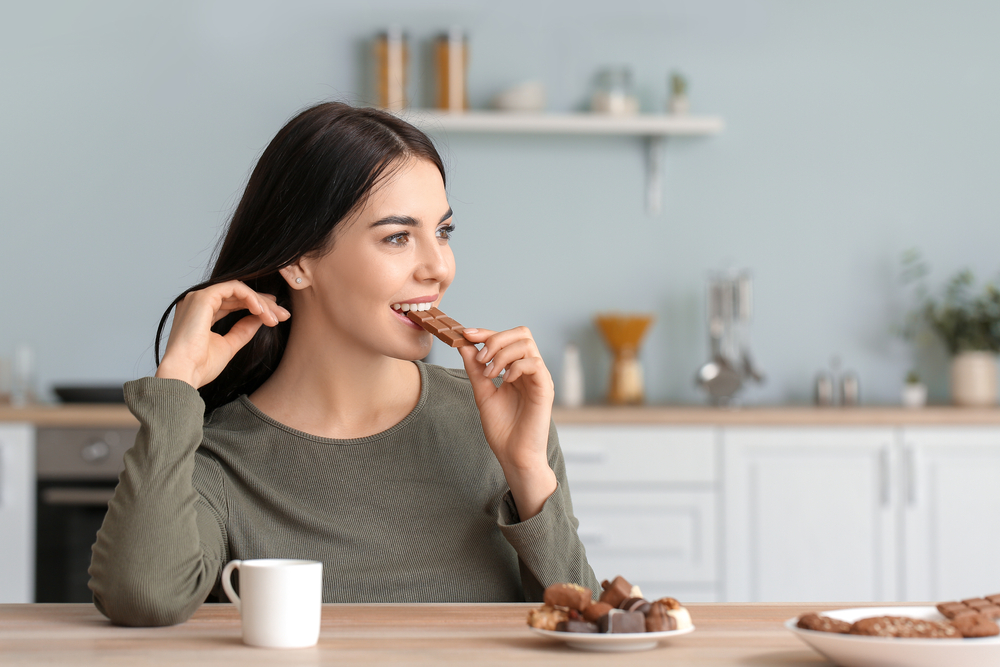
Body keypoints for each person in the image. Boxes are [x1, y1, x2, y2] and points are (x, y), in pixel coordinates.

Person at [88, 101, 598, 626]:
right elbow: (141, 598)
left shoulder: (498, 418)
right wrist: (177, 384)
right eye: (398, 237)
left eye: (443, 231)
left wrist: (526, 470)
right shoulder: (217, 456)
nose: (439, 267)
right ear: (299, 262)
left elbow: (589, 624)